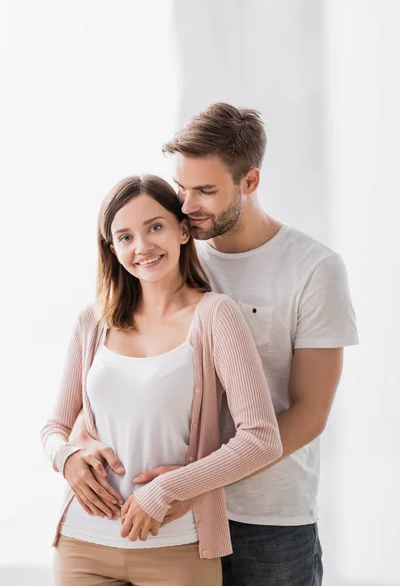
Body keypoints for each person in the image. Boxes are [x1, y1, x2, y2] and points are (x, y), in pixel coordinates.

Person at [69, 103, 359, 585]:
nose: (186, 205)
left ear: (250, 182)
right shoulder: (169, 251)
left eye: (205, 191)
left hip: (266, 520)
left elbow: (310, 413)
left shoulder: (313, 269)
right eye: (182, 189)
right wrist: (75, 449)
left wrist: (193, 482)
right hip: (165, 519)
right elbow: (115, 373)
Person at [40, 174, 283, 586]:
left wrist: (165, 490)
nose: (143, 247)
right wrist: (67, 460)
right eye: (126, 237)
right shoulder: (92, 322)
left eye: (155, 227)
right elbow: (54, 428)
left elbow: (261, 439)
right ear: (112, 249)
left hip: (178, 547)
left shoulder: (215, 316)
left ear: (183, 230)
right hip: (82, 546)